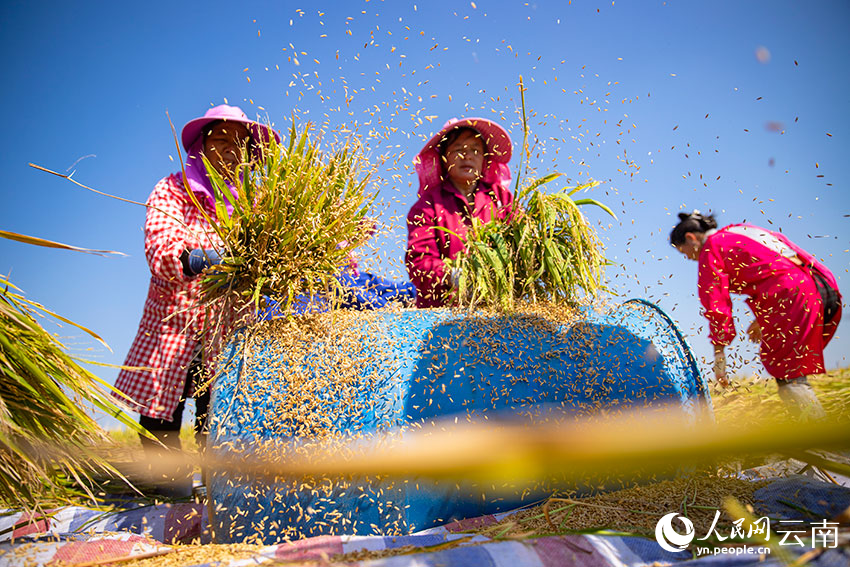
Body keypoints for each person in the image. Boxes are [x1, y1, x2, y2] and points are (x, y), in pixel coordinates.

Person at [114, 105, 279, 488]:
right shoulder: (173, 190)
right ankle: (167, 491)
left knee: (218, 415)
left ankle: (214, 495)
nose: (230, 149)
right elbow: (159, 248)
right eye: (220, 139)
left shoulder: (256, 204)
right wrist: (192, 259)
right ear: (202, 147)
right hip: (174, 322)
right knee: (161, 417)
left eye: (239, 143)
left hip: (228, 327)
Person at [670, 211, 842, 419]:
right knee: (793, 370)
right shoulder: (740, 231)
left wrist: (719, 356)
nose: (688, 257)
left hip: (790, 295)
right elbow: (781, 268)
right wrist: (763, 318)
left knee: (789, 375)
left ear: (691, 238)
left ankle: (819, 441)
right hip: (821, 286)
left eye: (683, 252)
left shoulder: (711, 248)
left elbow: (716, 304)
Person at [406, 118, 514, 307]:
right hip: (444, 313)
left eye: (475, 150)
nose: (467, 156)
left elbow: (519, 242)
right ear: (444, 158)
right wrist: (453, 275)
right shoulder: (427, 206)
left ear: (484, 160)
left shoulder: (501, 199)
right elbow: (418, 262)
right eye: (458, 150)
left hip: (498, 308)